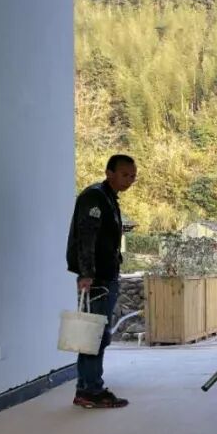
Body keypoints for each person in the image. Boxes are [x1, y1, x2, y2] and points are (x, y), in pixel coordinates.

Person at [65, 154, 137, 408]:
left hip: (105, 276)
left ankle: (85, 388)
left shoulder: (107, 198)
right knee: (94, 334)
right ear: (109, 173)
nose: (130, 180)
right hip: (98, 279)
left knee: (92, 334)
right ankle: (92, 390)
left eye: (133, 176)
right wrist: (87, 273)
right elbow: (86, 237)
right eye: (125, 174)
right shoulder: (94, 197)